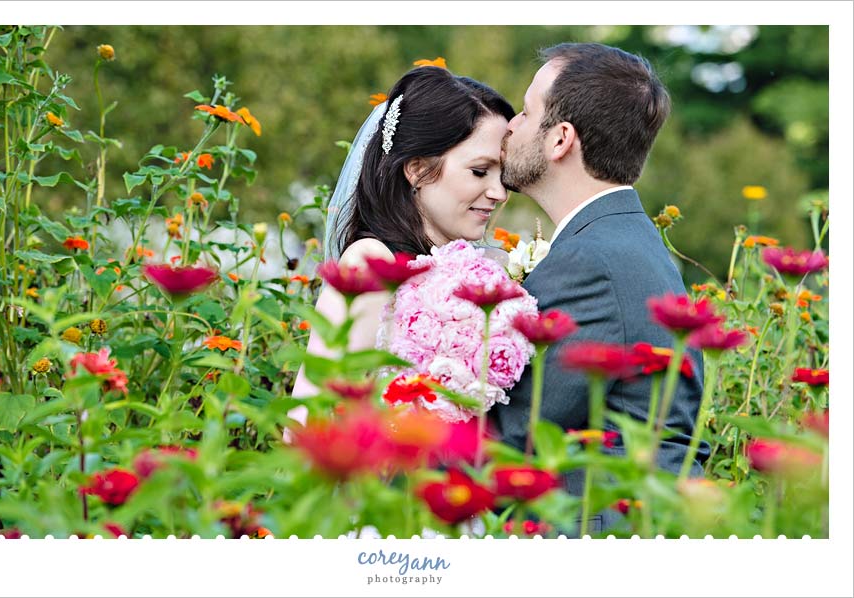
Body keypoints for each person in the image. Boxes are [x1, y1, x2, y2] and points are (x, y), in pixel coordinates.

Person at [489, 43, 709, 533]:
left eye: (526, 112)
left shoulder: (590, 260)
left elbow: (519, 432)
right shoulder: (624, 238)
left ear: (560, 139)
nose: (509, 126)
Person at [289, 66, 516, 419]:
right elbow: (309, 416)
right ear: (418, 169)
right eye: (479, 171)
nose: (498, 193)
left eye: (504, 175)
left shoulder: (483, 267)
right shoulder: (373, 265)